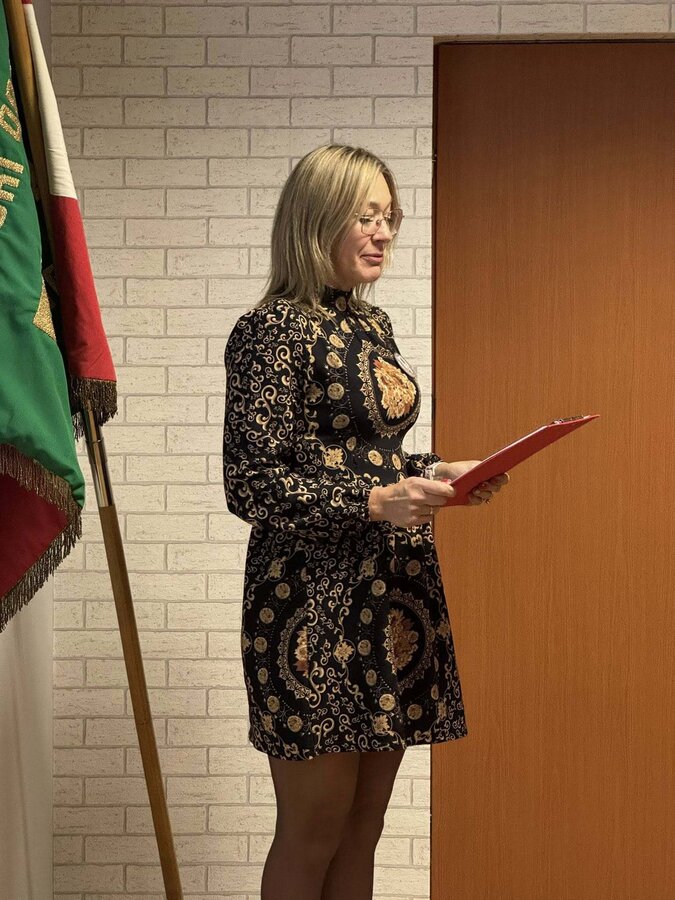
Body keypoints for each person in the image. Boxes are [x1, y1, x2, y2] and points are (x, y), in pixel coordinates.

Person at [222, 144, 509, 900]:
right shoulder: (269, 330)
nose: (383, 233)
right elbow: (251, 482)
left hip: (392, 592)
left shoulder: (370, 326)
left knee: (362, 828)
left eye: (390, 217)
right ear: (316, 220)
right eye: (365, 216)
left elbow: (362, 454)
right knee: (312, 829)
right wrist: (374, 503)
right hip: (308, 602)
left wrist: (439, 471)